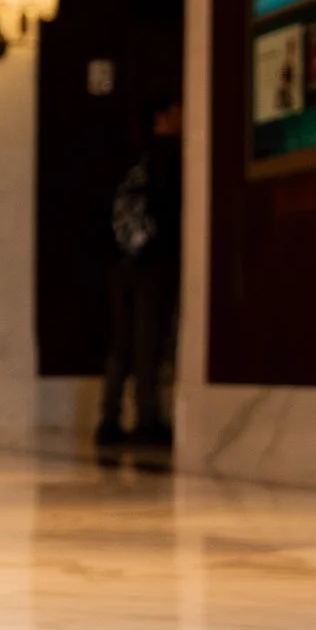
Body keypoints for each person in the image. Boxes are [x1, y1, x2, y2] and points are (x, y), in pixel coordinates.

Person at [95, 99, 183, 456]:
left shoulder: (130, 160)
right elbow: (171, 210)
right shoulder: (170, 157)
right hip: (153, 263)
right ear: (163, 117)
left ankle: (109, 420)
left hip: (122, 262)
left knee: (122, 343)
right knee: (147, 342)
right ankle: (148, 420)